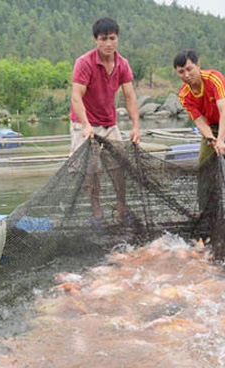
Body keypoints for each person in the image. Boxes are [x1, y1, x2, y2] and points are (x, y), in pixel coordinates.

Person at [69, 17, 141, 225]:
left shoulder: (122, 64)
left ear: (117, 39)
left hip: (109, 123)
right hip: (84, 123)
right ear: (95, 40)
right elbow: (76, 97)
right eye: (103, 39)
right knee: (91, 170)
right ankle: (97, 212)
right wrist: (85, 125)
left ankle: (121, 209)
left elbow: (130, 97)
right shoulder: (84, 63)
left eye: (112, 38)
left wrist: (135, 127)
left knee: (119, 167)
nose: (108, 43)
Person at [174, 49, 225, 189]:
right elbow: (199, 122)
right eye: (181, 72)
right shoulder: (184, 95)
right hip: (213, 125)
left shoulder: (213, 79)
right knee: (204, 165)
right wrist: (212, 139)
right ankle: (206, 209)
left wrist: (221, 141)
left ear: (198, 65)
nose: (186, 75)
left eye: (189, 69)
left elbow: (224, 112)